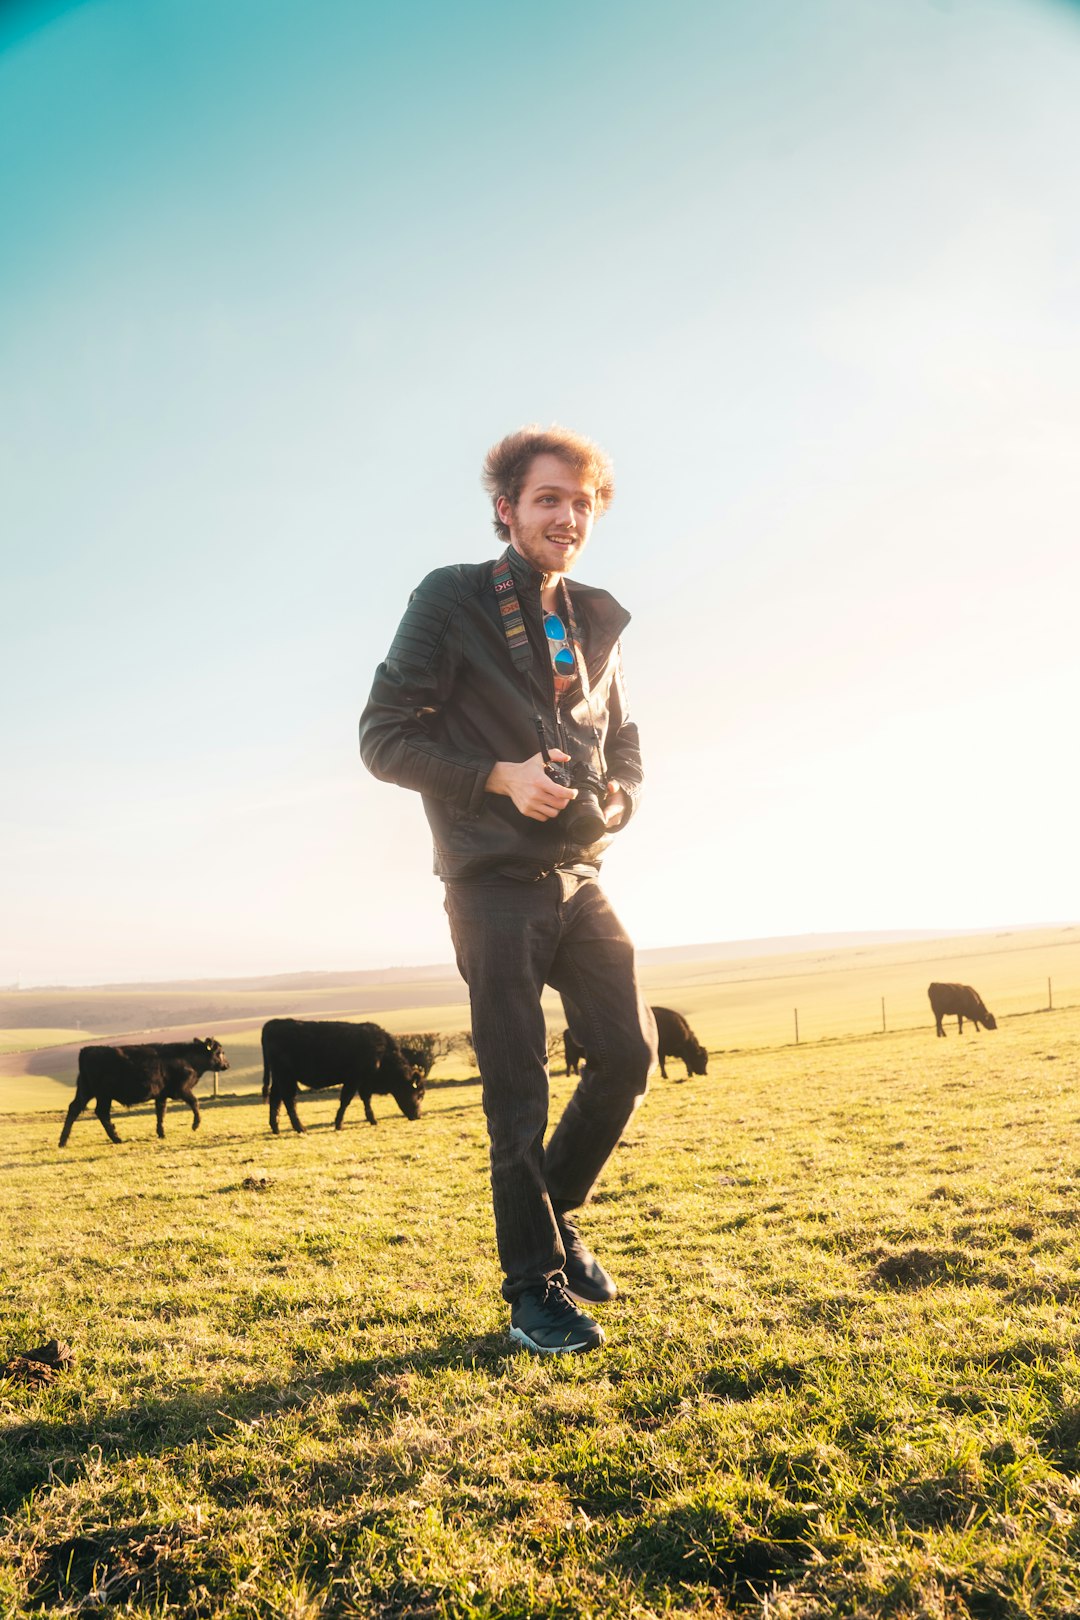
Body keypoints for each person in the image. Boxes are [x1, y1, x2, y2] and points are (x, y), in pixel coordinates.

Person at [359, 425, 656, 1354]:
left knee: (629, 1054)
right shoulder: (451, 599)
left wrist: (619, 795)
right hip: (490, 881)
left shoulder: (594, 619)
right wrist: (501, 776)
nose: (566, 516)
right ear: (506, 509)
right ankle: (533, 1291)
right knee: (518, 1090)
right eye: (547, 500)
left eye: (580, 503)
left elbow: (628, 740)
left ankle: (552, 1220)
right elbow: (382, 739)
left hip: (579, 874)